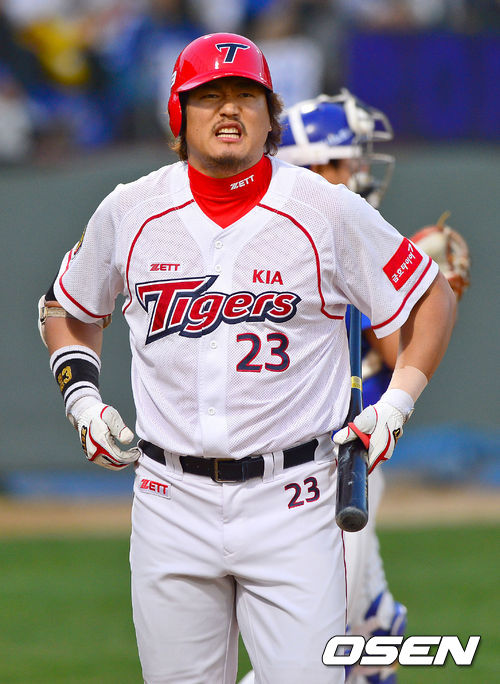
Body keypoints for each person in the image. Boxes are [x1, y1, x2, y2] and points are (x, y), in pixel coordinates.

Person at [39, 33, 456, 684]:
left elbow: (430, 297)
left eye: (246, 95)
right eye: (209, 95)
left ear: (270, 116)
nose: (229, 108)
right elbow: (65, 307)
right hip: (169, 499)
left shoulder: (324, 209)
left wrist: (397, 404)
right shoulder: (131, 209)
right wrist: (83, 401)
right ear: (179, 114)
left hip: (293, 500)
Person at [267, 89, 469, 684]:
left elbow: (383, 349)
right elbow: (388, 351)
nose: (360, 169)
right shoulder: (312, 241)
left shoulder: (306, 233)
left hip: (343, 450)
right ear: (313, 166)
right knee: (322, 654)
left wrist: (419, 290)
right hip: (318, 464)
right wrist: (426, 293)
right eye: (347, 157)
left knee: (373, 638)